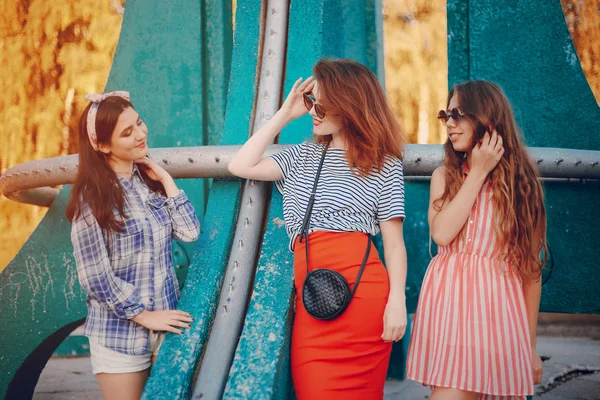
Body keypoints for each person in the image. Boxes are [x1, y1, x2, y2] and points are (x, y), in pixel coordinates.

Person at [228, 58, 408, 399]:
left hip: (365, 297)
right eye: (313, 103)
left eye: (322, 106)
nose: (314, 112)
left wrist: (397, 302)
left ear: (350, 105)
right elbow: (240, 164)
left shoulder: (384, 163)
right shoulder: (301, 156)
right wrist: (284, 114)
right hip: (315, 301)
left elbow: (394, 244)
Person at [406, 80, 547, 400]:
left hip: (497, 317)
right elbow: (442, 233)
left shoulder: (523, 188)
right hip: (450, 315)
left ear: (487, 118)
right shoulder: (445, 177)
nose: (450, 124)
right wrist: (478, 173)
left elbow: (531, 273)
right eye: (446, 115)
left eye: (458, 114)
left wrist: (530, 347)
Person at [66, 91, 200, 399]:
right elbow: (94, 276)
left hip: (167, 328)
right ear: (101, 145)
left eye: (139, 123)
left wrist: (167, 181)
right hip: (120, 336)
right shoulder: (93, 201)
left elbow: (190, 233)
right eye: (127, 133)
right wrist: (143, 315)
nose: (140, 134)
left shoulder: (149, 182)